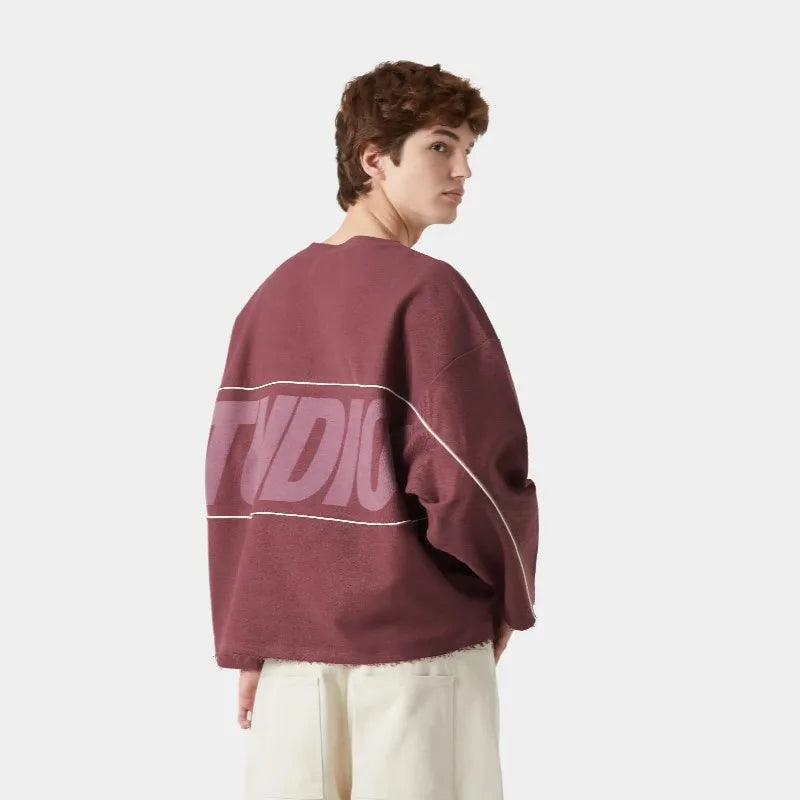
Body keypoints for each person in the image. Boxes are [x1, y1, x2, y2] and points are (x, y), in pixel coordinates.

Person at [205, 59, 539, 799]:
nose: (463, 170)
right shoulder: (428, 293)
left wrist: (251, 642)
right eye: (440, 146)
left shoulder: (267, 300)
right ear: (373, 160)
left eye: (468, 151)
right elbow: (474, 478)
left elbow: (238, 491)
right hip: (418, 658)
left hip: (292, 673)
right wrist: (509, 594)